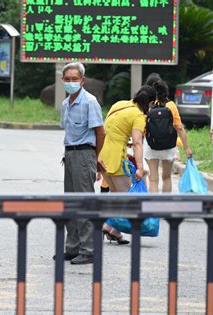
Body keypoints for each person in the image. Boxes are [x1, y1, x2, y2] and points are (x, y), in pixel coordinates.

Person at [58, 62, 105, 265]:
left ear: (82, 80)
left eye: (74, 79)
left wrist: (94, 158)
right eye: (67, 79)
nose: (71, 82)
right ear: (62, 80)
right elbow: (69, 132)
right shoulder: (66, 103)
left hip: (85, 155)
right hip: (70, 155)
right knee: (70, 202)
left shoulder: (90, 102)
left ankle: (89, 249)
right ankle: (73, 247)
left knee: (84, 202)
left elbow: (100, 132)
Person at [99, 85, 157, 243]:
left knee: (115, 193)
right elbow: (138, 143)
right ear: (150, 103)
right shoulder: (139, 115)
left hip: (102, 155)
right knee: (126, 197)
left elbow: (109, 129)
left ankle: (114, 230)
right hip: (117, 157)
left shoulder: (119, 104)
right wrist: (139, 167)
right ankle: (108, 225)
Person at [144, 74, 193, 193]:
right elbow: (179, 127)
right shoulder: (171, 105)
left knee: (153, 179)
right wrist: (187, 148)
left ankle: (153, 207)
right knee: (166, 177)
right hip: (168, 146)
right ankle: (165, 206)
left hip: (151, 145)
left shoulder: (147, 105)